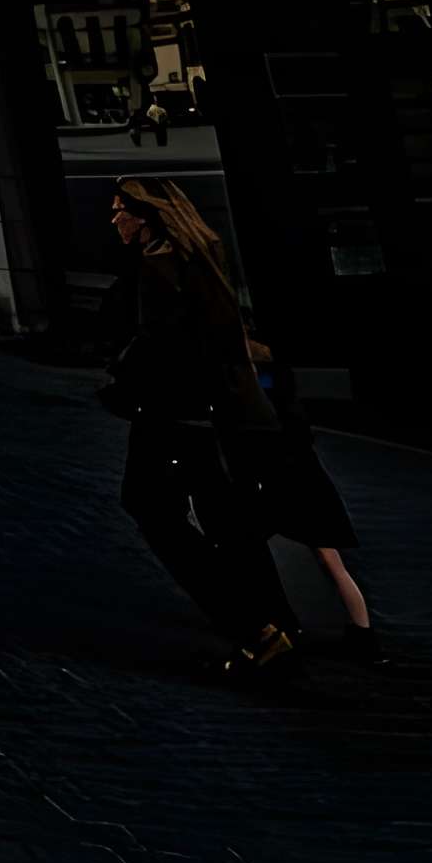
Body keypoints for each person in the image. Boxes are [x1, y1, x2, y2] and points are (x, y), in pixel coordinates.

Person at [99, 177, 299, 679]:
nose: (114, 220)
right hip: (213, 414)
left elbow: (157, 343)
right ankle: (276, 623)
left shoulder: (157, 266)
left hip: (170, 415)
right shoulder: (199, 258)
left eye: (120, 210)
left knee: (150, 507)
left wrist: (121, 376)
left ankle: (255, 627)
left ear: (143, 216)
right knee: (227, 519)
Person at [250, 334, 377, 659]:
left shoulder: (264, 392)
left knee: (249, 545)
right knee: (331, 563)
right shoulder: (283, 390)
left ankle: (277, 622)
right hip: (308, 483)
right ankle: (363, 636)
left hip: (291, 484)